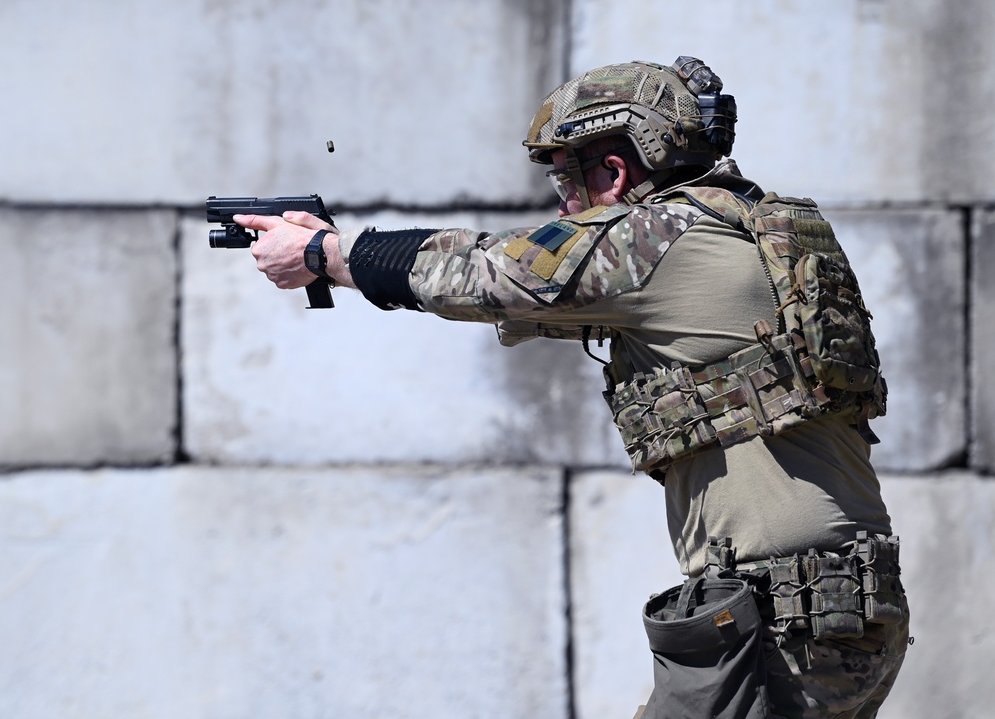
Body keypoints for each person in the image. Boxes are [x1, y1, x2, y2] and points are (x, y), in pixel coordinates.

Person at [235, 57, 910, 719]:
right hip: (833, 604)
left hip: (786, 617)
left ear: (615, 173)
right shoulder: (739, 228)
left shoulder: (658, 238)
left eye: (568, 179)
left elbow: (483, 271)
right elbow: (517, 294)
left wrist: (326, 252)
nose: (560, 204)